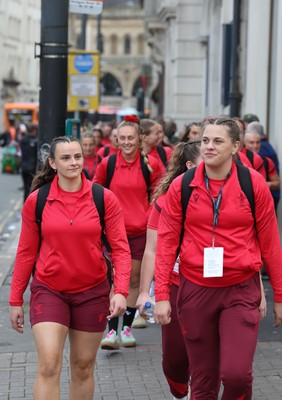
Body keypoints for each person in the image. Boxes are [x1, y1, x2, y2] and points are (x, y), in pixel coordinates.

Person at [153, 117, 282, 399]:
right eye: (206, 141)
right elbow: (166, 244)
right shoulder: (182, 186)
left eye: (217, 141)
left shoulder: (253, 184)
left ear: (236, 146)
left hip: (240, 289)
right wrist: (161, 294)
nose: (209, 146)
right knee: (203, 380)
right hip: (196, 290)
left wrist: (279, 297)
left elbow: (271, 243)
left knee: (236, 375)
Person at [9, 136, 131, 400]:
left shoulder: (103, 198)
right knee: (49, 364)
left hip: (92, 292)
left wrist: (120, 290)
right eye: (65, 157)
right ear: (52, 163)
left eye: (77, 156)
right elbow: (26, 252)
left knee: (83, 366)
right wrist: (15, 299)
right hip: (49, 290)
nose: (73, 162)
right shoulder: (37, 200)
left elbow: (121, 248)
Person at [136, 140, 202, 400]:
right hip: (175, 283)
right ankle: (180, 390)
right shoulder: (166, 201)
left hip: (212, 285)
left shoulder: (225, 195)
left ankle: (201, 391)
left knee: (206, 353)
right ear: (189, 166)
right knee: (175, 358)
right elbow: (151, 249)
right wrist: (144, 292)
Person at [94, 115, 163, 349]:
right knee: (114, 280)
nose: (126, 142)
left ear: (139, 139)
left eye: (130, 138)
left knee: (133, 280)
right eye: (121, 138)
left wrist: (148, 216)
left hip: (139, 232)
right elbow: (96, 193)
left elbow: (160, 194)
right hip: (113, 232)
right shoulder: (108, 164)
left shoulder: (151, 164)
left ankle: (127, 327)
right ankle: (111, 331)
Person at [244, 130, 280, 211]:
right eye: (252, 142)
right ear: (244, 144)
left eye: (257, 142)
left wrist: (268, 184)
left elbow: (277, 183)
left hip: (263, 206)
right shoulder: (238, 161)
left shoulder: (267, 161)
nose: (255, 145)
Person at [20, 123, 38, 202]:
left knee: (25, 188)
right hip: (33, 168)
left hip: (24, 167)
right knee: (32, 188)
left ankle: (25, 206)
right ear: (34, 131)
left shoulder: (23, 140)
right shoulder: (36, 141)